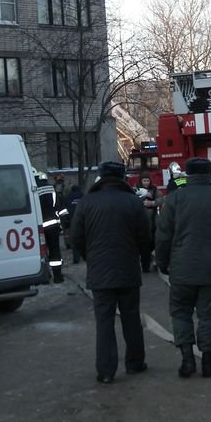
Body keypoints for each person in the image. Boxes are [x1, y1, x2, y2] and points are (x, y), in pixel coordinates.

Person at [155, 157, 211, 378]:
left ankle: (186, 360)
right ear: (210, 174)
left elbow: (163, 236)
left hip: (181, 269)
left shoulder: (175, 199)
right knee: (208, 315)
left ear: (188, 174)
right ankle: (208, 361)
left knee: (181, 313)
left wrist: (163, 262)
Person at [70, 161, 151, 384]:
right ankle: (135, 363)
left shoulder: (87, 203)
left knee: (104, 322)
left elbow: (76, 237)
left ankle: (106, 371)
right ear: (122, 177)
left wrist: (91, 257)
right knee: (131, 317)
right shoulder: (133, 202)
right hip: (128, 269)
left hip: (100, 272)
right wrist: (142, 258)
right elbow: (145, 236)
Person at [34, 170, 64, 284]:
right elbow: (58, 205)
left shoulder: (34, 189)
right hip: (53, 224)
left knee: (42, 251)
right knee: (55, 249)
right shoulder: (51, 188)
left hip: (40, 225)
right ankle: (58, 276)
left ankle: (45, 277)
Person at [135, 171, 163, 273]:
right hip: (141, 224)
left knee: (154, 243)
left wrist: (152, 203)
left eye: (147, 180)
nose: (146, 183)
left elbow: (161, 199)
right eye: (144, 180)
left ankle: (155, 262)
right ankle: (145, 266)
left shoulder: (154, 190)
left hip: (153, 222)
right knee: (144, 246)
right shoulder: (136, 190)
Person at [64, 184, 84, 264]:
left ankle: (76, 259)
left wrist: (66, 220)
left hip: (72, 221)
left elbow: (65, 209)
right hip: (83, 221)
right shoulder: (83, 197)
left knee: (75, 240)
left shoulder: (68, 198)